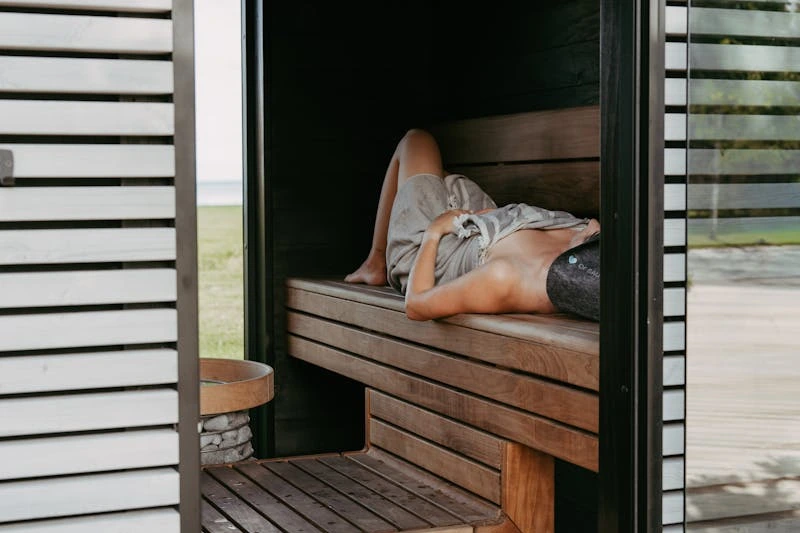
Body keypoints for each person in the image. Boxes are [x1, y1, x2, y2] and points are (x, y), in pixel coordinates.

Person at [344, 128, 601, 322]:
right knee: (434, 177)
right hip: (484, 224)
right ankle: (378, 256)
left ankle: (376, 262)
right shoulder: (587, 232)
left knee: (416, 141)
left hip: (432, 254)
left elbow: (417, 304)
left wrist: (434, 232)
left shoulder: (506, 277)